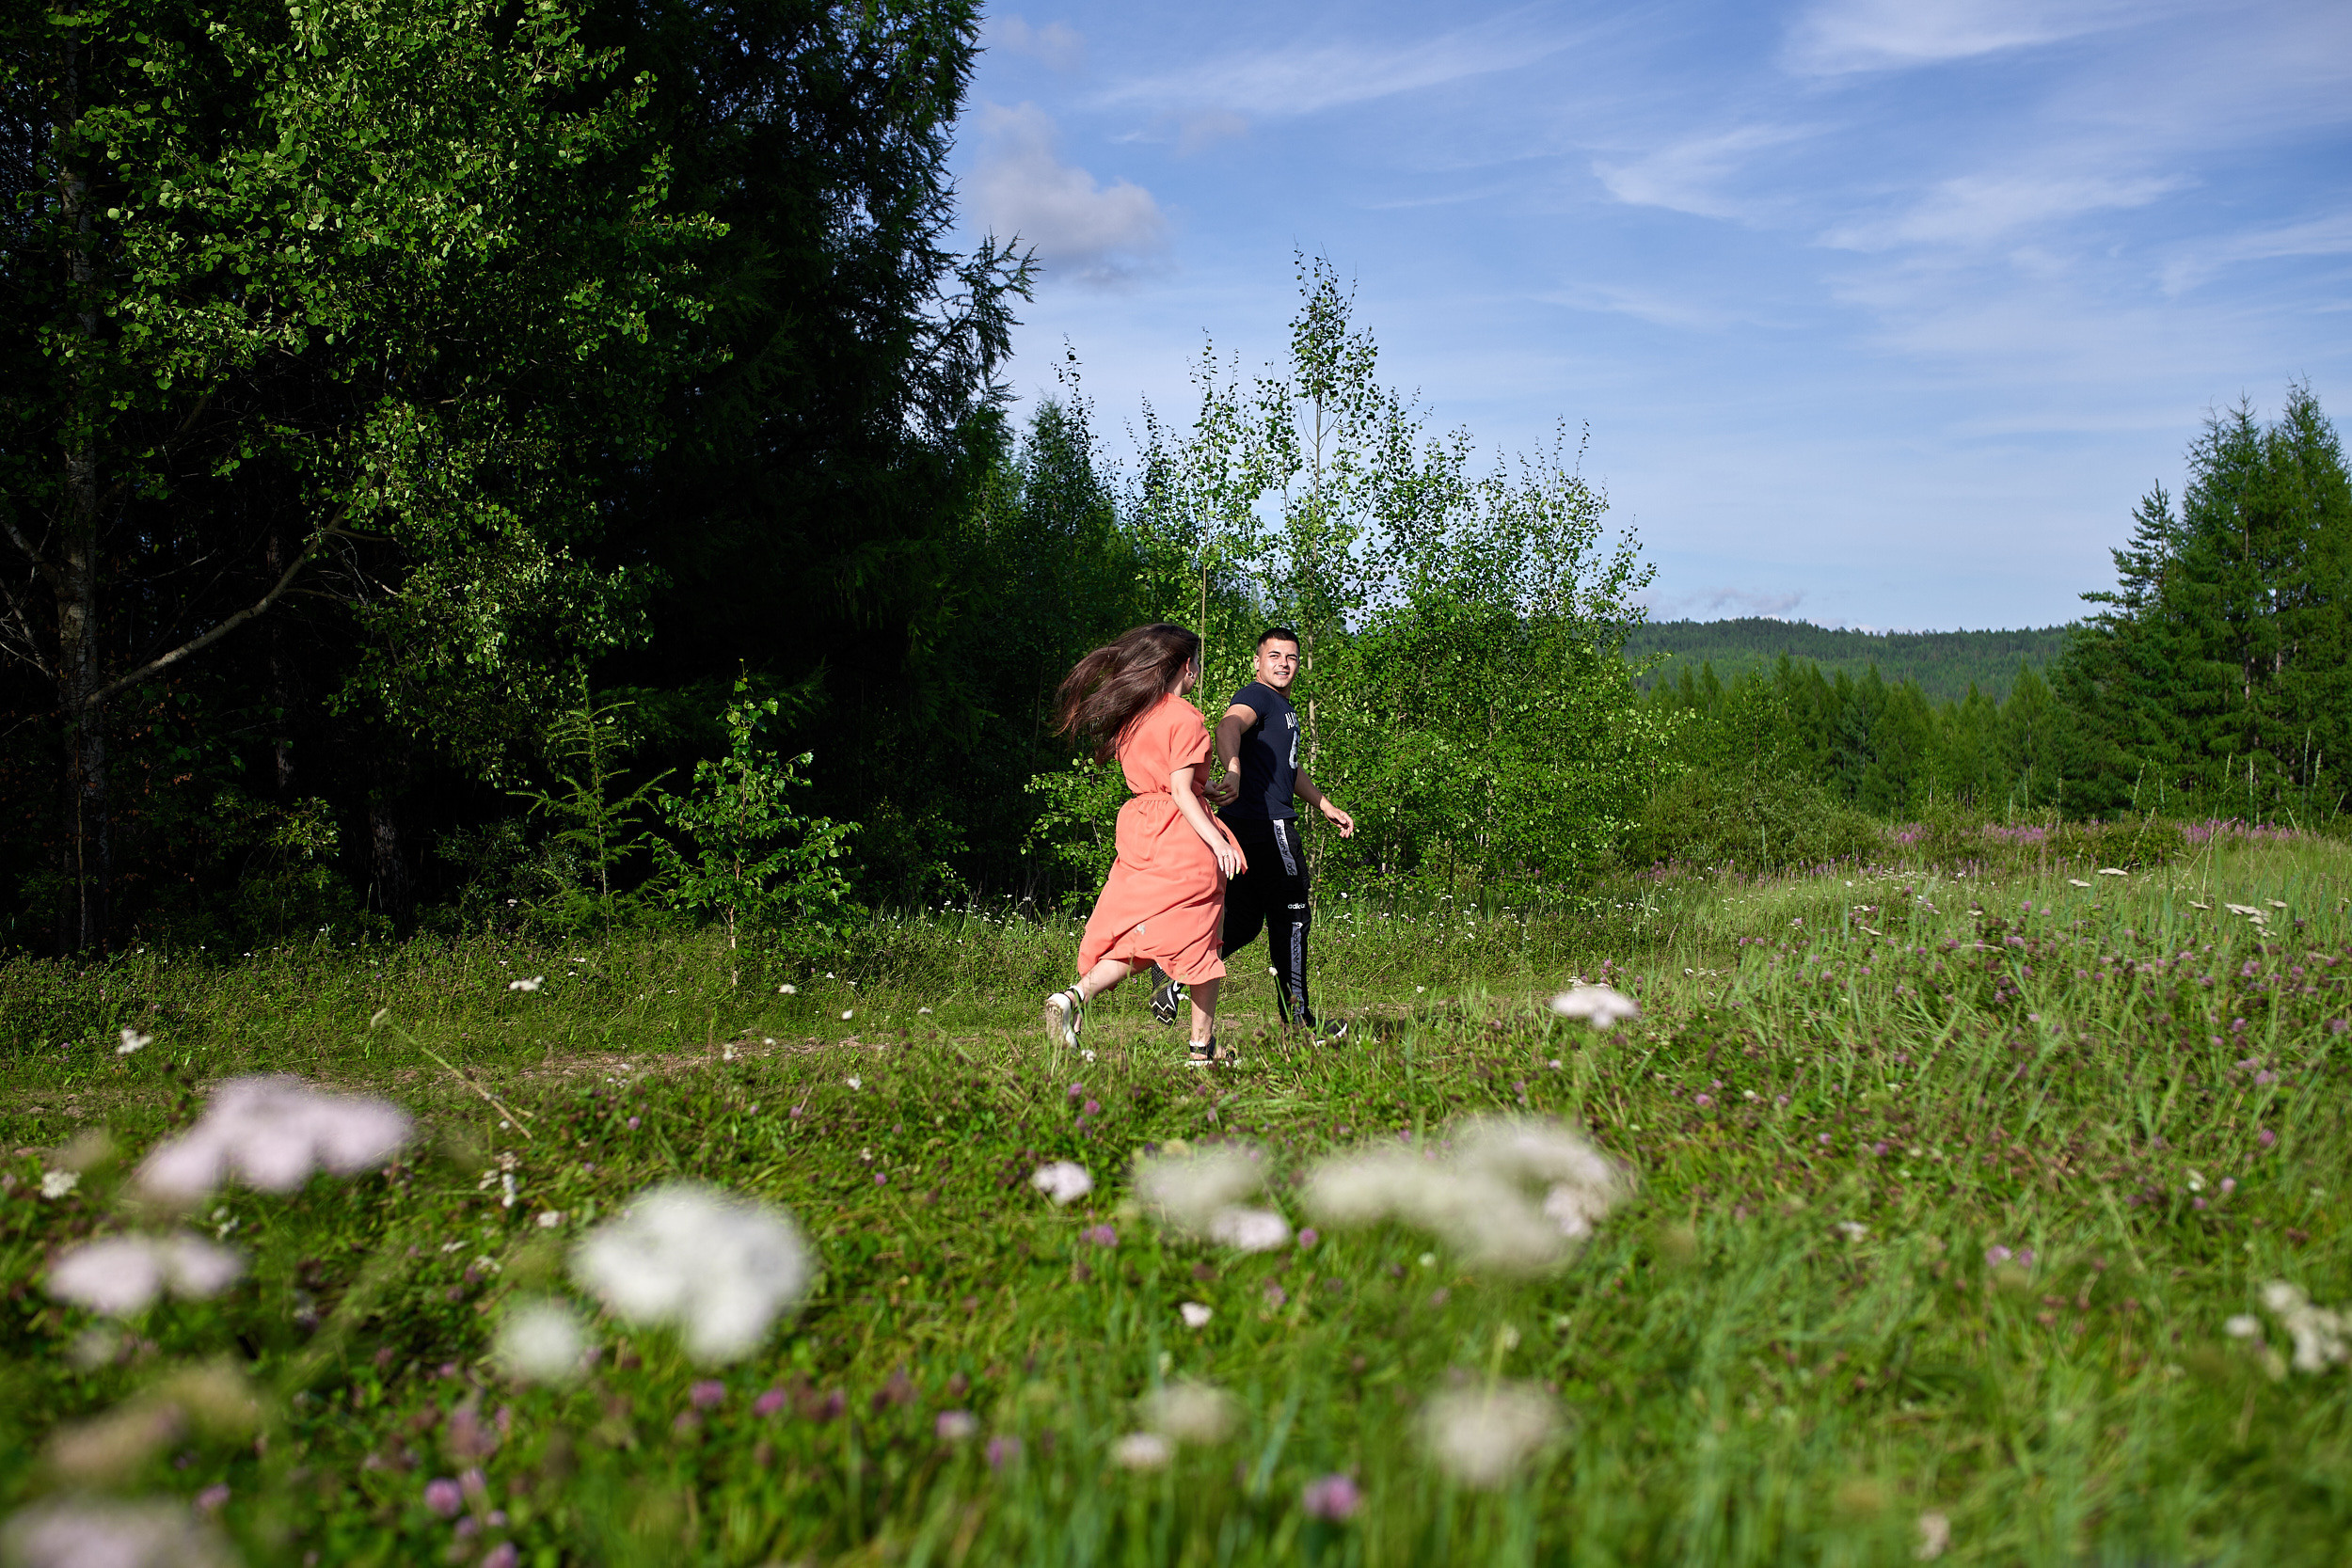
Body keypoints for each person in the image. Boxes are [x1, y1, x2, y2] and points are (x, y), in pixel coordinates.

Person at [1042, 623, 1248, 1066]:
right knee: (1200, 939)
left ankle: (1073, 998)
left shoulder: (1135, 715)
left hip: (1140, 828)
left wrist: (1201, 785)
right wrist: (1219, 842)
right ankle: (1200, 1051)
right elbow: (1177, 792)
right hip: (1180, 833)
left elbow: (1167, 780)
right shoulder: (1185, 715)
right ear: (1187, 667)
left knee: (1136, 933)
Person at [1152, 626, 1354, 1038]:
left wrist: (1325, 805)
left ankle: (1171, 971)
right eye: (1274, 656)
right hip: (1270, 827)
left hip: (1249, 830)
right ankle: (1299, 1025)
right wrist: (1234, 769)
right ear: (1258, 663)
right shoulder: (1257, 696)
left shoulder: (1282, 707)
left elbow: (1289, 768)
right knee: (1294, 920)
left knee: (1242, 923)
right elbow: (1228, 727)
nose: (1283, 664)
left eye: (1291, 657)